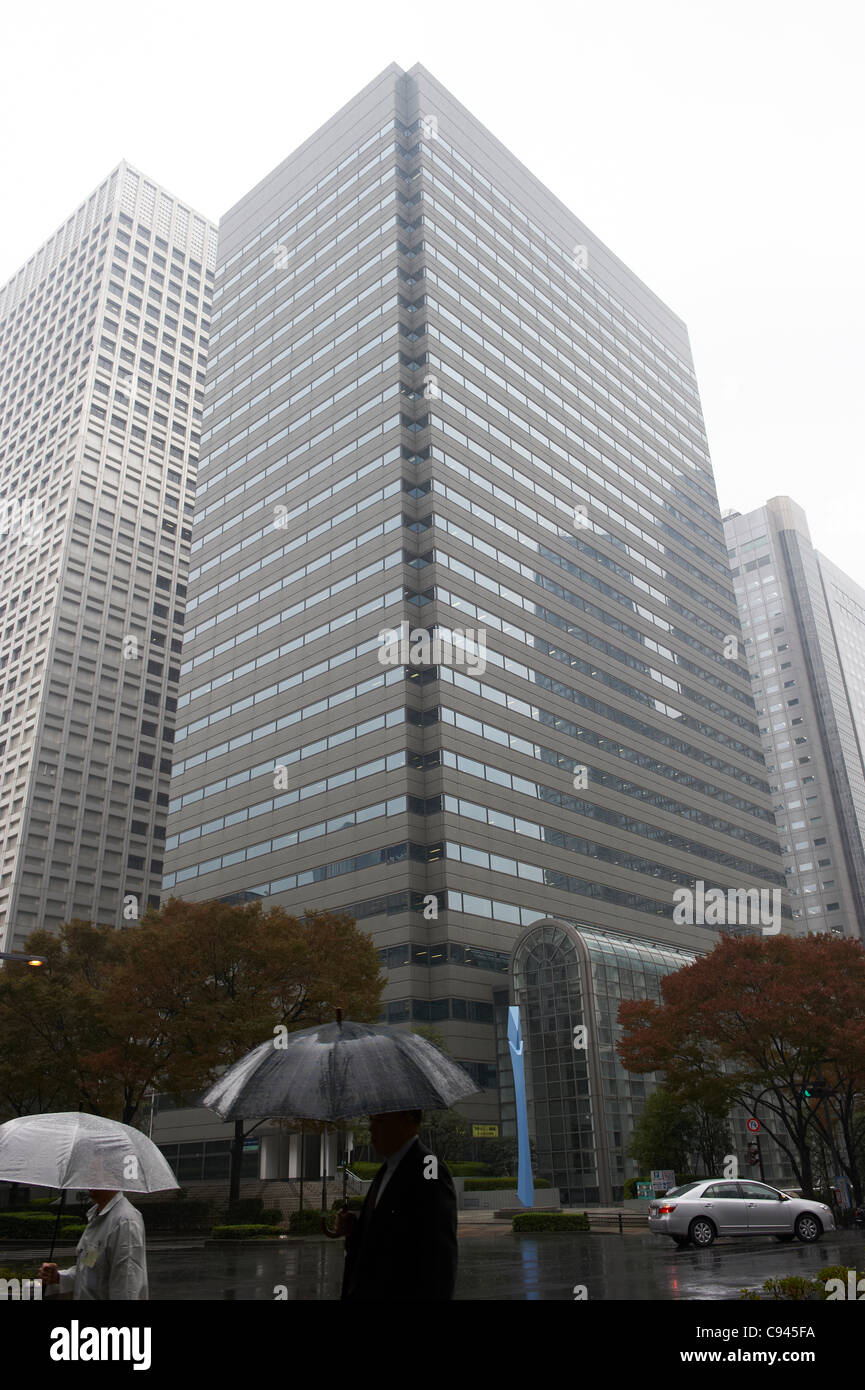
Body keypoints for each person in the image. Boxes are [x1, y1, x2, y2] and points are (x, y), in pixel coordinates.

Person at [332, 1109, 457, 1300]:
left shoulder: (428, 1169)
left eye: (379, 1120)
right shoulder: (388, 1169)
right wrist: (355, 1230)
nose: (371, 1128)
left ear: (408, 1122)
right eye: (370, 1120)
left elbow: (438, 1261)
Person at [38, 1188, 148, 1300]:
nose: (90, 1178)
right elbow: (87, 1269)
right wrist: (58, 1278)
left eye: (96, 1172)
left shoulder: (125, 1221)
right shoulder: (98, 1217)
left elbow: (127, 1287)